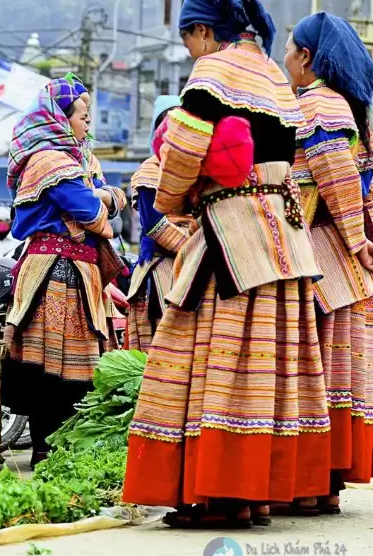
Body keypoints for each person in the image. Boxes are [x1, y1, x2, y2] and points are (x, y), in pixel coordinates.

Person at [122, 0, 330, 528]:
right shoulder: (274, 76)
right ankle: (258, 493)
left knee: (217, 356)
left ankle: (223, 495)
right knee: (268, 363)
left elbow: (186, 148)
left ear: (202, 31)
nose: (189, 50)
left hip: (231, 234)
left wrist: (171, 198)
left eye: (188, 39)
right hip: (283, 232)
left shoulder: (213, 71)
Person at [1, 77, 124, 466]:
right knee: (49, 365)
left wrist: (99, 198)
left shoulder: (81, 159)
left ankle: (64, 447)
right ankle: (45, 447)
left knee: (79, 366)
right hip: (55, 273)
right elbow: (92, 213)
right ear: (60, 117)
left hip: (82, 272)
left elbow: (101, 205)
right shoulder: (48, 160)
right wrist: (104, 198)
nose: (89, 124)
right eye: (83, 116)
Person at [284, 12, 373, 514]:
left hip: (317, 248)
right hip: (342, 255)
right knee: (334, 368)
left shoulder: (317, 105)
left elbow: (337, 180)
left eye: (291, 50)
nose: (285, 59)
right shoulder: (353, 110)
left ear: (308, 58)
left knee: (311, 367)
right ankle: (324, 485)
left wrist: (358, 239)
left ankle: (309, 482)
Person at [126, 96, 193, 352]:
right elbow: (154, 225)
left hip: (192, 263)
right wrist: (196, 248)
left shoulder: (194, 170)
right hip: (162, 265)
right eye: (169, 124)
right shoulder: (150, 171)